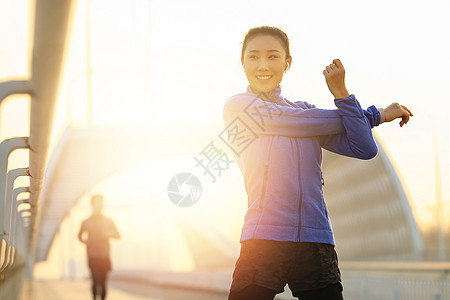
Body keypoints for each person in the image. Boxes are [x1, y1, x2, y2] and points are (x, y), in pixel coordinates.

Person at [223, 26, 412, 300]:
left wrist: (342, 93)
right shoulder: (239, 107)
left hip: (316, 240)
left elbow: (365, 148)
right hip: (264, 238)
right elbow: (299, 122)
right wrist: (376, 114)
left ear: (287, 63)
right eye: (253, 57)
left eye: (273, 56)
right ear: (242, 63)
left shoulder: (307, 112)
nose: (263, 64)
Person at [78, 194, 121, 300]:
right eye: (96, 203)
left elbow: (118, 235)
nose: (99, 205)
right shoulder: (86, 221)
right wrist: (85, 241)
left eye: (100, 203)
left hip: (104, 255)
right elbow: (79, 236)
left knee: (103, 282)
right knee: (95, 280)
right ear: (92, 205)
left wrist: (109, 234)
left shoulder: (108, 221)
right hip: (92, 255)